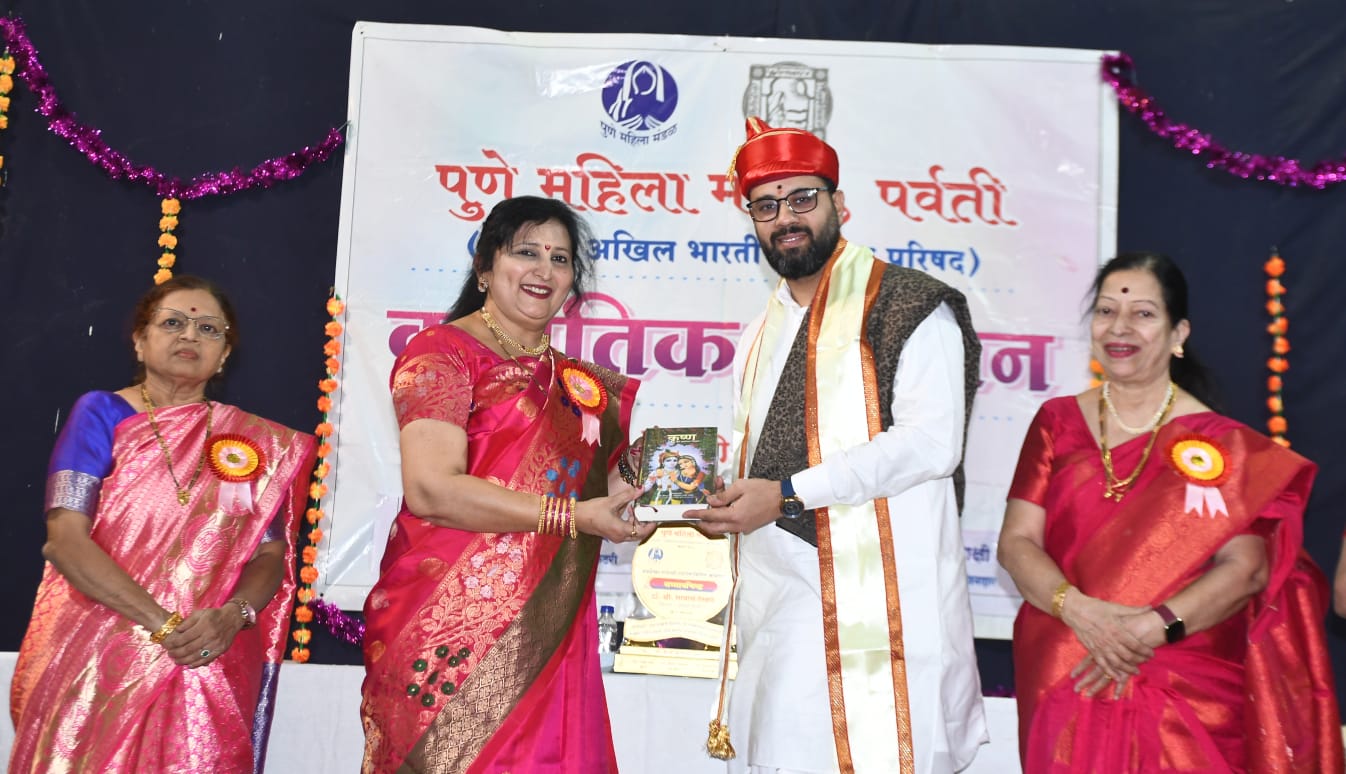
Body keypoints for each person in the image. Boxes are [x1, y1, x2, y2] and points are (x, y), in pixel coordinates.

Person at [695, 117, 987, 773]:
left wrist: (787, 494)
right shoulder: (758, 334)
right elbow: (755, 463)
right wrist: (707, 495)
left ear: (840, 204)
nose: (785, 218)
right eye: (766, 206)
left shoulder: (911, 305)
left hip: (883, 613)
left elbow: (931, 444)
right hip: (776, 608)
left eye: (802, 198)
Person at [997, 251, 1343, 772]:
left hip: (1181, 673)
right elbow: (1017, 542)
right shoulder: (1056, 422)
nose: (1120, 327)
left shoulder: (1220, 444)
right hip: (1068, 658)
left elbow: (1245, 568)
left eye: (1143, 313)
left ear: (1179, 333)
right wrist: (1080, 612)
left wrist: (1151, 629)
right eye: (1106, 310)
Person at [359, 195, 656, 773]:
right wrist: (573, 516)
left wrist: (653, 475)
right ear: (485, 266)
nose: (544, 269)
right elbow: (431, 490)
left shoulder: (582, 385)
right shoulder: (442, 353)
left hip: (548, 629)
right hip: (446, 627)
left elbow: (599, 496)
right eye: (527, 252)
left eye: (560, 258)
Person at [9, 275, 316, 773]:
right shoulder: (101, 414)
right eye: (173, 323)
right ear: (140, 340)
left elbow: (269, 555)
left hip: (206, 654)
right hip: (99, 649)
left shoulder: (252, 443)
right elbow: (64, 540)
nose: (190, 335)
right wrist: (164, 626)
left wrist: (231, 616)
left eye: (209, 328)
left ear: (224, 354)